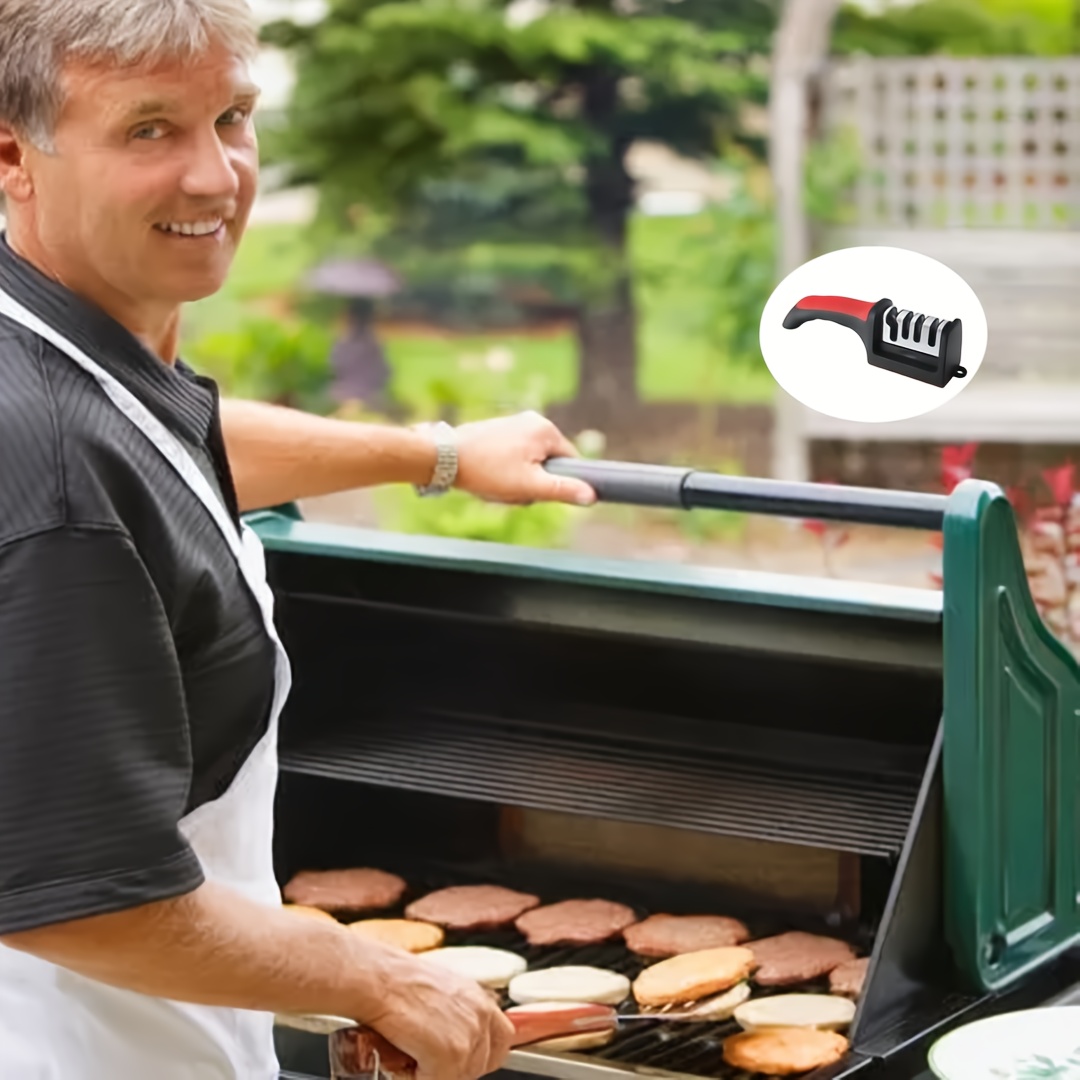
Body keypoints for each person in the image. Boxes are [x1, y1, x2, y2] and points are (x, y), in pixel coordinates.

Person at [0, 2, 597, 1078]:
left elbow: (171, 445)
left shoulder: (47, 344)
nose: (214, 177)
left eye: (231, 117)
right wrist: (379, 978)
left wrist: (439, 456)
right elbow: (80, 899)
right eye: (148, 131)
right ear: (13, 154)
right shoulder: (50, 480)